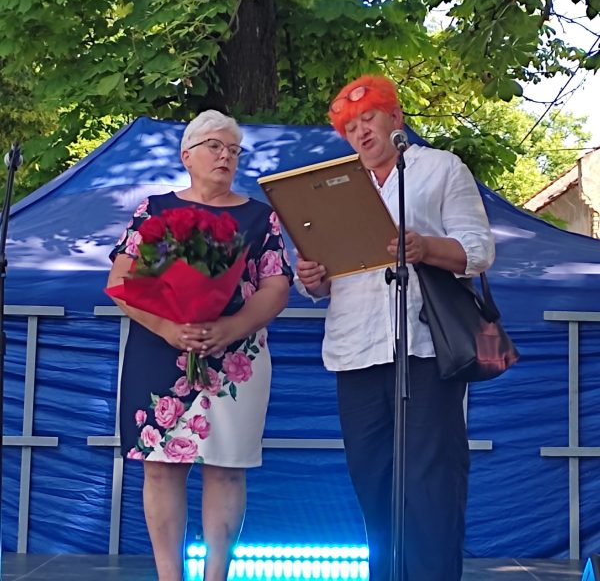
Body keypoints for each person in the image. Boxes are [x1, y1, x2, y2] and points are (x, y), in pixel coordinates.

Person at [295, 75, 495, 581]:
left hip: (426, 348)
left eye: (369, 119)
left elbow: (479, 250)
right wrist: (313, 279)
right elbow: (325, 279)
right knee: (373, 482)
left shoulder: (440, 168)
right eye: (350, 128)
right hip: (356, 351)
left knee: (430, 482)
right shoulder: (336, 186)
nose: (361, 132)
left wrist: (425, 247)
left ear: (395, 118)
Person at [106, 109, 293, 581]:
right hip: (159, 350)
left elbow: (275, 287)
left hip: (236, 356)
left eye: (233, 150)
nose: (225, 156)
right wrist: (168, 327)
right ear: (186, 155)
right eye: (215, 146)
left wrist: (233, 327)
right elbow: (121, 281)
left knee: (226, 468)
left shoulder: (259, 217)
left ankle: (216, 576)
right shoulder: (154, 210)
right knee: (161, 467)